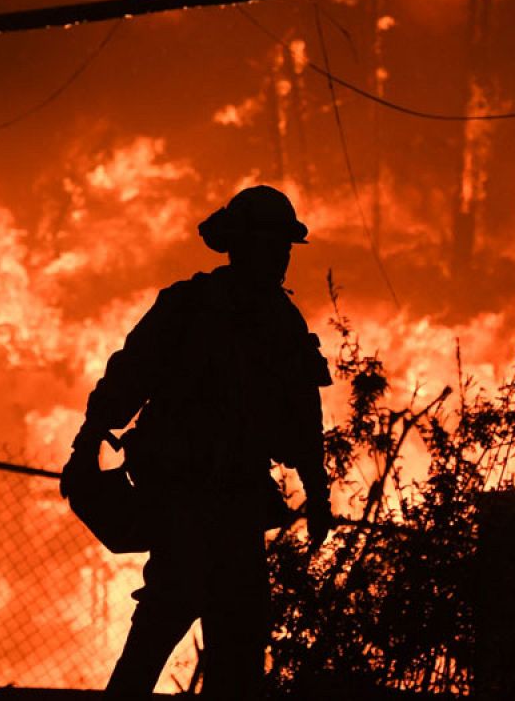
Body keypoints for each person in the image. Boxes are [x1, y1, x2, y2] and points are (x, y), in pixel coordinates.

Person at [62, 185, 333, 696]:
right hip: (182, 496)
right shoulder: (188, 307)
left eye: (284, 246)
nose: (281, 257)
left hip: (240, 503)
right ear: (242, 244)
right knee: (165, 617)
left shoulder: (281, 322)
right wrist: (86, 443)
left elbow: (302, 417)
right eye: (272, 243)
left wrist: (317, 492)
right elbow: (128, 377)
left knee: (239, 647)